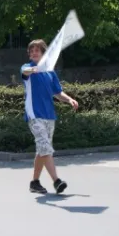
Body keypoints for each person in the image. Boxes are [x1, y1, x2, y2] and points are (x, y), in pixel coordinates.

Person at [21, 39, 79, 194]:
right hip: (34, 115)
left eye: (37, 51)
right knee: (45, 147)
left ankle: (34, 183)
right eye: (31, 51)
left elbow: (57, 93)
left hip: (49, 115)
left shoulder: (50, 72)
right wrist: (35, 69)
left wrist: (69, 99)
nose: (34, 53)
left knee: (42, 149)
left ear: (43, 53)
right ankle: (56, 181)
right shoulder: (28, 68)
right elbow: (24, 73)